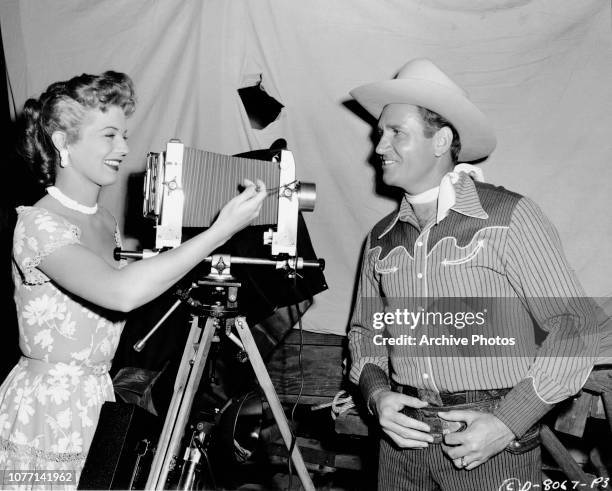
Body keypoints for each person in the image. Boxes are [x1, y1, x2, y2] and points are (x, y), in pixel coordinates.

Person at [0, 71, 267, 486]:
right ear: (62, 142)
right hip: (47, 410)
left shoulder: (106, 220)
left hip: (97, 398)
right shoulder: (37, 224)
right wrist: (219, 232)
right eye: (109, 135)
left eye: (124, 135)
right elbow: (120, 293)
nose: (124, 148)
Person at [347, 58, 600, 490]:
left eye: (396, 133)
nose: (379, 147)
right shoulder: (379, 239)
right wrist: (377, 395)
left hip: (489, 446)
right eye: (379, 134)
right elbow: (364, 332)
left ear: (441, 140)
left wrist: (507, 423)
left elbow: (576, 328)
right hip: (400, 447)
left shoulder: (509, 217)